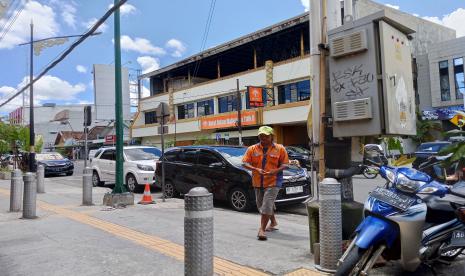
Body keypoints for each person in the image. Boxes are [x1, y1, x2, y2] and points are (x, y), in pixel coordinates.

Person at [242, 126, 289, 241]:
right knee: (261, 205)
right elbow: (244, 163)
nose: (263, 138)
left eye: (266, 136)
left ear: (272, 136)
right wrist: (256, 169)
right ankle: (273, 222)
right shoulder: (252, 149)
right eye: (261, 135)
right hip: (258, 181)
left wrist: (275, 171)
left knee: (266, 205)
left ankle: (262, 229)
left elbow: (285, 164)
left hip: (274, 181)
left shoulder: (280, 148)